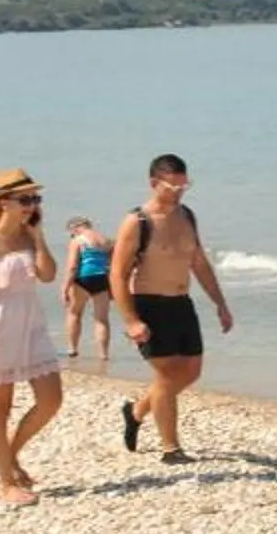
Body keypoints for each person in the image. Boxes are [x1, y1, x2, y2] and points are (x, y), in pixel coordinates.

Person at [108, 152, 232, 464]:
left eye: (184, 185)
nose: (179, 192)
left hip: (181, 304)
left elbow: (198, 262)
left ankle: (136, 412)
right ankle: (170, 449)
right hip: (149, 305)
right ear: (154, 183)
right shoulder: (137, 222)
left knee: (190, 372)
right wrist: (131, 320)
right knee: (167, 375)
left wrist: (220, 303)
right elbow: (118, 274)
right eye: (172, 187)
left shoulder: (186, 216)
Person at [0, 169, 64, 505]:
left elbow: (48, 276)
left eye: (36, 198)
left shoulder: (29, 236)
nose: (31, 205)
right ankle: (6, 483)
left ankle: (12, 454)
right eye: (25, 199)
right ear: (3, 202)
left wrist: (38, 236)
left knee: (52, 400)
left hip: (31, 323)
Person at [61, 216, 116, 361]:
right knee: (102, 319)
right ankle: (103, 354)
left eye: (71, 233)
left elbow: (72, 266)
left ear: (75, 228)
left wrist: (65, 287)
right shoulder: (106, 240)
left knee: (74, 313)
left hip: (83, 278)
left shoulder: (78, 240)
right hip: (102, 278)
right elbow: (112, 265)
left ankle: (72, 348)